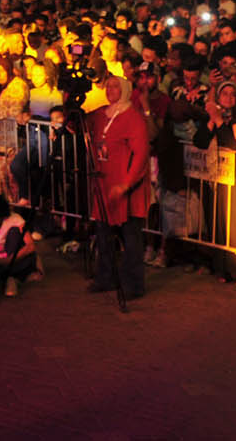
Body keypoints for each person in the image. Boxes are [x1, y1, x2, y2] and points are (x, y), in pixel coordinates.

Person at [85, 69, 150, 300]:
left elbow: (141, 154)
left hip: (125, 187)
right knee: (103, 235)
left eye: (115, 86)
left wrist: (126, 183)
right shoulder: (101, 114)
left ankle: (133, 284)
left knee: (130, 238)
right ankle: (106, 277)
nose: (110, 90)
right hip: (104, 183)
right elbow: (79, 123)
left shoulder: (134, 118)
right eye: (108, 86)